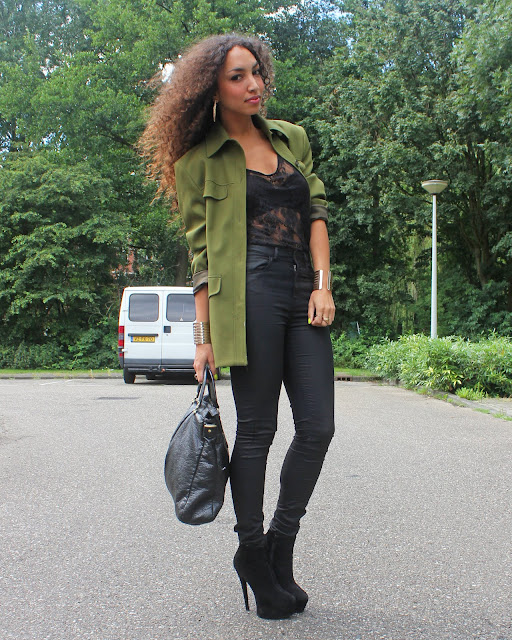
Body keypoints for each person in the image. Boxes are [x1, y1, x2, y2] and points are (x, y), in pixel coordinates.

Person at [140, 33, 335, 619]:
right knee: (256, 431)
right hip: (247, 295)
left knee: (318, 427)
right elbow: (201, 257)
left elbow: (316, 212)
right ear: (212, 89)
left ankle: (279, 544)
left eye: (256, 72)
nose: (253, 85)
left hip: (302, 289)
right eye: (237, 77)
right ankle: (250, 549)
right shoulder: (197, 162)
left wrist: (322, 284)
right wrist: (202, 339)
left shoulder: (291, 138)